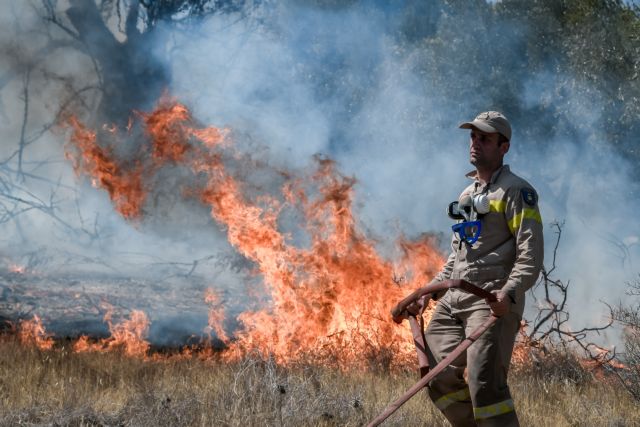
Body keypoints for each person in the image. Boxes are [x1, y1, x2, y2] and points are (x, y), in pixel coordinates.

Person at [392, 111, 544, 426]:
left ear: (504, 147)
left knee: (484, 386)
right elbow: (457, 259)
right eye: (473, 137)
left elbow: (530, 255)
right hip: (454, 301)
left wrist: (508, 293)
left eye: (485, 138)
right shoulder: (467, 195)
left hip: (491, 302)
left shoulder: (517, 192)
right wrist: (428, 293)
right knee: (437, 379)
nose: (475, 143)